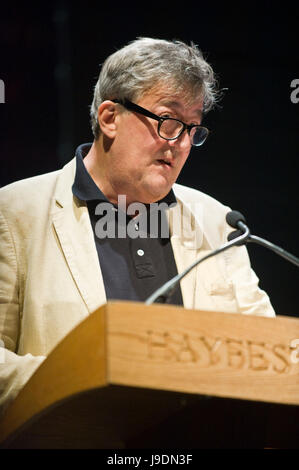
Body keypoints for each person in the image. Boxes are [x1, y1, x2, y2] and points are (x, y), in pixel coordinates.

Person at [0, 37, 275, 414]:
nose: (180, 143)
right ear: (110, 118)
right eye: (167, 121)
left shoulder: (217, 220)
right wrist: (92, 386)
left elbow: (268, 354)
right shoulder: (16, 212)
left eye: (192, 129)